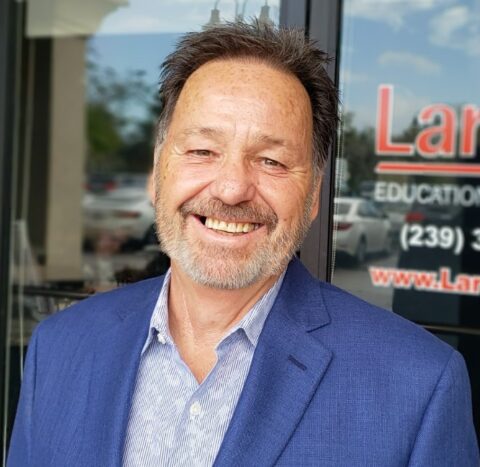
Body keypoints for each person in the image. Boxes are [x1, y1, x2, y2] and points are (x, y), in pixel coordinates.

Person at [8, 22, 479, 466]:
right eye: (201, 151)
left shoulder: (417, 387)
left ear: (313, 194)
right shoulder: (60, 346)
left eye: (272, 161)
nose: (231, 188)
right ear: (157, 172)